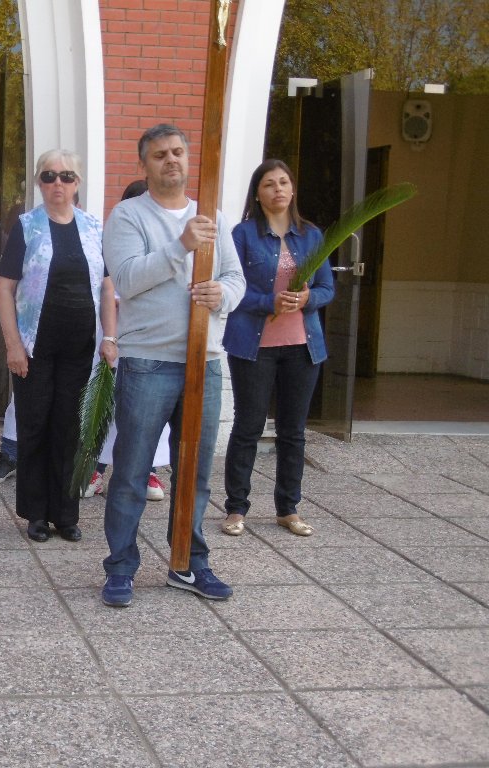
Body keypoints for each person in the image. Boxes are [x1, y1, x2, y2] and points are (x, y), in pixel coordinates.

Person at [100, 124, 245, 606]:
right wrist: (179, 246)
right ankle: (120, 567)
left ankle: (188, 561)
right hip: (148, 362)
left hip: (205, 361)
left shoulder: (213, 217)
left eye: (178, 152)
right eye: (160, 155)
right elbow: (126, 279)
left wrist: (220, 294)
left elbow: (235, 279)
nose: (171, 161)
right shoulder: (127, 216)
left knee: (196, 471)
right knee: (132, 471)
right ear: (145, 165)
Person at [0, 149, 117, 543]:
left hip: (79, 345)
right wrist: (13, 344)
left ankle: (65, 514)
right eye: (48, 176)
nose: (57, 184)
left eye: (66, 176)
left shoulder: (94, 228)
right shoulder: (27, 226)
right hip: (34, 344)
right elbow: (4, 285)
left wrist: (110, 337)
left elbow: (107, 283)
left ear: (77, 183)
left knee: (70, 429)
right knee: (35, 425)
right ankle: (35, 513)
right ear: (38, 183)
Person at [221, 159, 334, 538]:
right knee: (248, 427)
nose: (278, 190)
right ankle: (236, 508)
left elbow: (327, 288)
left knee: (293, 431)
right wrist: (269, 302)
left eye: (284, 182)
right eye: (269, 184)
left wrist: (306, 299)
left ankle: (288, 508)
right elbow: (232, 288)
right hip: (254, 345)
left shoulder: (311, 235)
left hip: (302, 346)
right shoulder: (243, 234)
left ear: (293, 189)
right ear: (258, 193)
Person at [82, 178, 168, 502]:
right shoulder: (108, 240)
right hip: (111, 333)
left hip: (152, 338)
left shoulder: (167, 243)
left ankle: (148, 469)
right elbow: (102, 287)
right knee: (103, 401)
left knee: (146, 407)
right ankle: (95, 468)